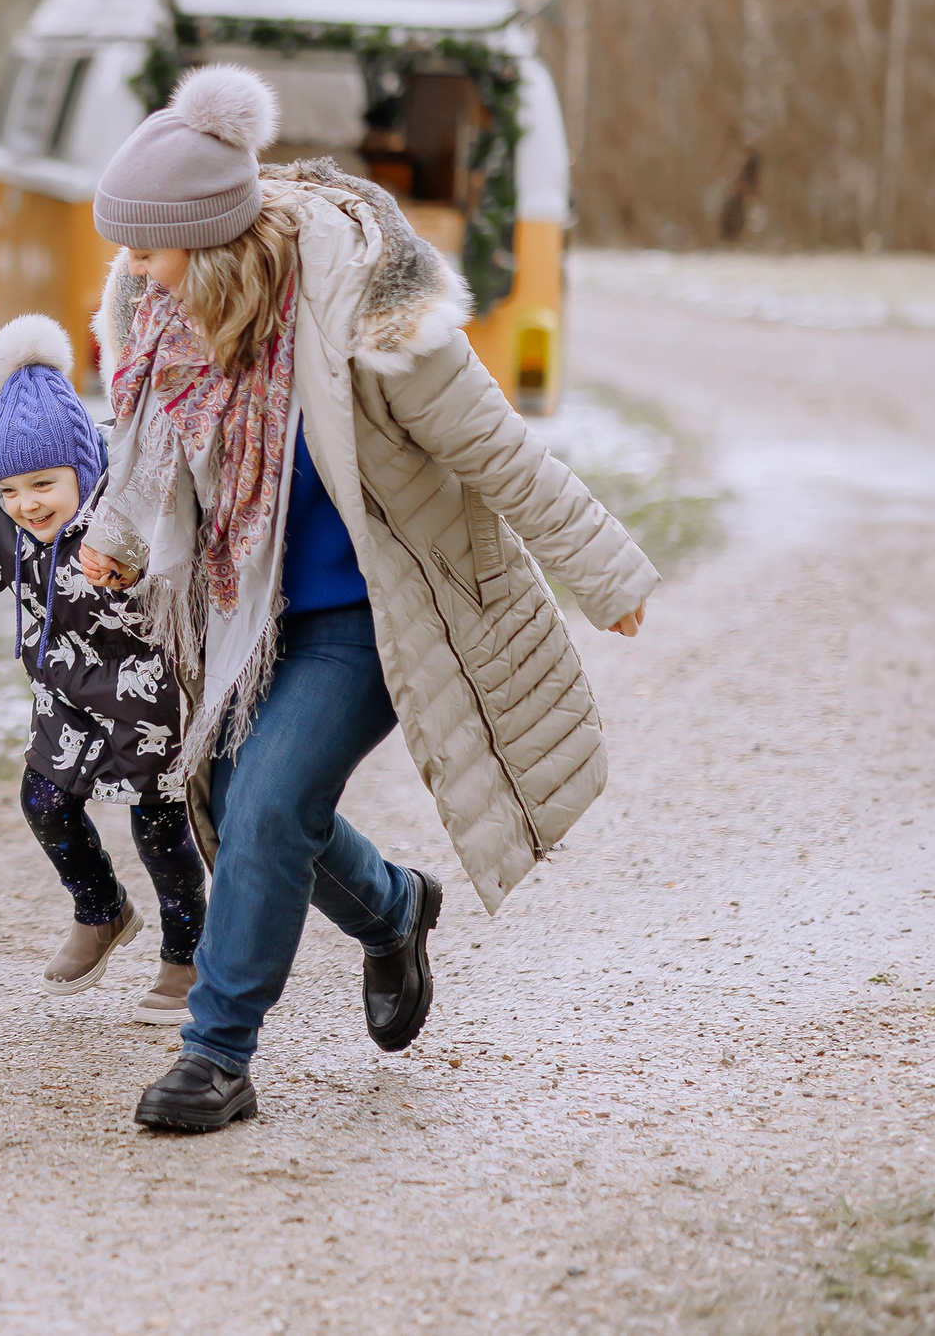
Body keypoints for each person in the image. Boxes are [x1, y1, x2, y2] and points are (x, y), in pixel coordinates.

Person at [73, 63, 658, 1133]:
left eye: (149, 248)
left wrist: (604, 571)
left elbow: (494, 446)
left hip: (366, 616)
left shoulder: (362, 310)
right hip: (247, 615)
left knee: (260, 806)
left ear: (206, 237)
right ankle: (393, 910)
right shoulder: (163, 316)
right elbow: (149, 452)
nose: (133, 269)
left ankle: (216, 1057)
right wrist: (113, 538)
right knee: (240, 803)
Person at [0, 314, 206, 1024]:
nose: (28, 503)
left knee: (158, 830)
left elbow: (183, 563)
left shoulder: (123, 516)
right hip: (64, 700)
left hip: (145, 704)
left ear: (83, 468)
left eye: (43, 483)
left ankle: (189, 953)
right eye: (9, 490)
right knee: (43, 800)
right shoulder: (15, 528)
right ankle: (101, 908)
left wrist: (130, 567)